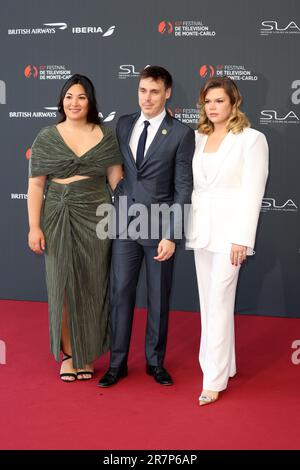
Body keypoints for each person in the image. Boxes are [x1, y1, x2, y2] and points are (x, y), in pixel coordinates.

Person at [98, 66, 195, 387]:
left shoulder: (181, 133)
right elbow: (116, 163)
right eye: (142, 90)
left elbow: (183, 188)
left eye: (154, 92)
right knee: (121, 293)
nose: (147, 98)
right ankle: (117, 363)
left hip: (159, 229)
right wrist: (117, 191)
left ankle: (155, 362)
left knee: (158, 297)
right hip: (125, 224)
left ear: (167, 93)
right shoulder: (123, 124)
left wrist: (171, 233)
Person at [27, 74, 123, 382]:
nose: (74, 103)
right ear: (61, 101)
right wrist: (34, 227)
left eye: (81, 97)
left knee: (93, 285)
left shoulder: (106, 135)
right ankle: (69, 354)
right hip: (56, 214)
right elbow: (35, 185)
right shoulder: (46, 136)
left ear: (90, 101)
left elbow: (117, 183)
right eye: (69, 96)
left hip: (97, 215)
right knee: (63, 286)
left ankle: (87, 354)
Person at [186, 76, 269, 405]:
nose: (213, 107)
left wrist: (242, 238)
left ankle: (213, 380)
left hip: (231, 233)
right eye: (208, 101)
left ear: (234, 103)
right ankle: (224, 364)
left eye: (219, 101)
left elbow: (253, 191)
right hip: (201, 230)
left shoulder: (251, 140)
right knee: (209, 303)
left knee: (219, 300)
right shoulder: (197, 138)